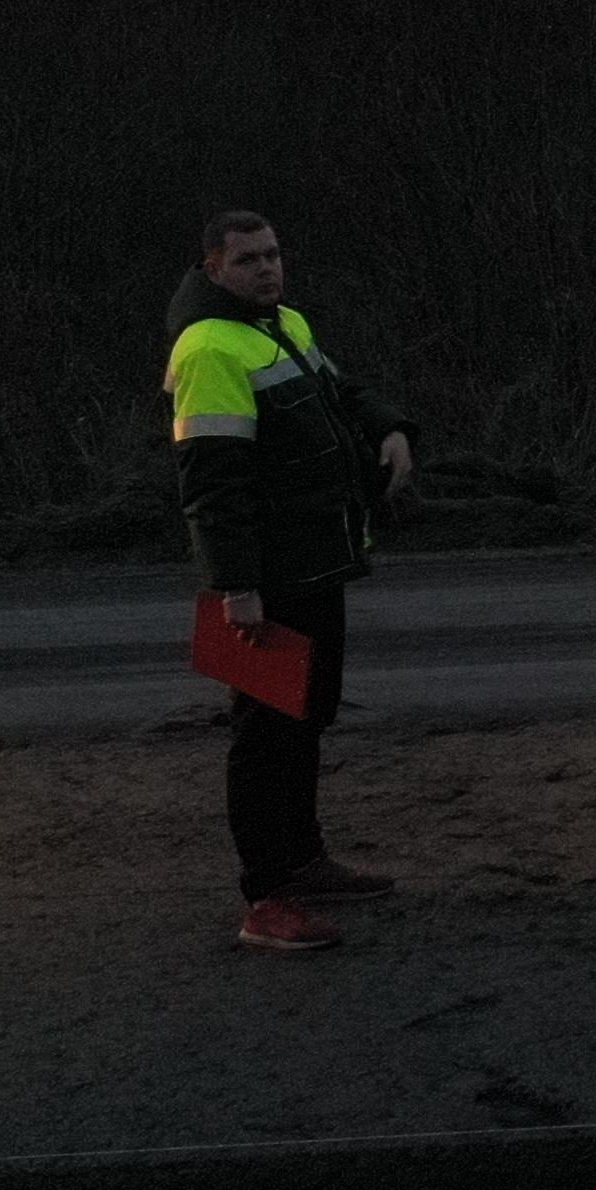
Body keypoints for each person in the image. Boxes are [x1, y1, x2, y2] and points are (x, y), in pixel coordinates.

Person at [166, 210, 416, 952]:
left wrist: (389, 426)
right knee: (267, 732)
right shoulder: (211, 347)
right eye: (247, 260)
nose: (267, 269)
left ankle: (303, 862)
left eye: (273, 254)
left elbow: (344, 391)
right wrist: (236, 585)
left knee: (305, 716)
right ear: (213, 269)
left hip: (316, 560)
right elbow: (212, 481)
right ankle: (267, 898)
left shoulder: (282, 325)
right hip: (267, 579)